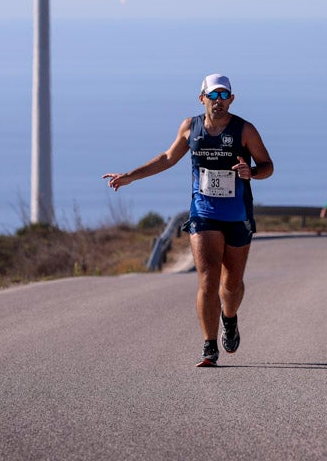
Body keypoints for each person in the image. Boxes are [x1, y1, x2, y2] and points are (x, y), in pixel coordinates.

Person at [103, 73, 274, 368]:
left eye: (224, 96)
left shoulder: (245, 130)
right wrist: (129, 177)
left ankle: (229, 319)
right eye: (213, 96)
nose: (218, 102)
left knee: (231, 284)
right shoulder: (190, 127)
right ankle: (209, 347)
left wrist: (252, 173)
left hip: (238, 215)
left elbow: (268, 165)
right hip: (204, 213)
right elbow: (168, 158)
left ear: (231, 99)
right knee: (207, 280)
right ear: (202, 98)